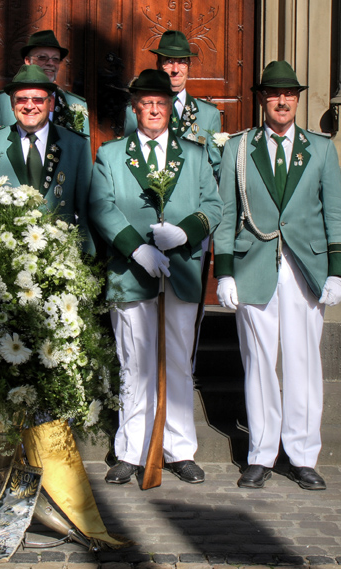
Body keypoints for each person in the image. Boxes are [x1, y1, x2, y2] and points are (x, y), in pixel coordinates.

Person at [213, 61, 341, 491]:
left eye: (289, 94)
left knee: (303, 363)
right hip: (254, 266)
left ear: (297, 99)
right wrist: (225, 273)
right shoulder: (238, 148)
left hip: (306, 269)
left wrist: (338, 270)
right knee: (258, 364)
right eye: (274, 94)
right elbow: (226, 214)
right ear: (261, 99)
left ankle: (303, 455)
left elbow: (334, 213)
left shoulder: (322, 149)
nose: (282, 101)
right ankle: (261, 454)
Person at [89, 69, 222, 485]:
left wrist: (187, 232)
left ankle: (178, 449)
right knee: (134, 362)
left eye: (160, 103)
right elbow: (101, 205)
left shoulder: (196, 155)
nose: (153, 110)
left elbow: (214, 206)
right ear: (135, 108)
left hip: (181, 271)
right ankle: (131, 450)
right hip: (132, 273)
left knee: (179, 362)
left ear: (170, 109)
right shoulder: (111, 155)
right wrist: (137, 248)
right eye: (145, 103)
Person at [0, 64, 95, 254]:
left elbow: (86, 211)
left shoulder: (75, 145)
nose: (29, 106)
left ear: (50, 103)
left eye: (38, 99)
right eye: (21, 100)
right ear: (12, 105)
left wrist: (87, 260)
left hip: (61, 258)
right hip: (6, 260)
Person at [124, 30, 222, 174]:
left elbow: (216, 168)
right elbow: (130, 156)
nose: (175, 70)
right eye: (169, 62)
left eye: (182, 62)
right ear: (158, 64)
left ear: (189, 66)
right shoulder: (136, 110)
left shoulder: (209, 114)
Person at [0, 30, 90, 138]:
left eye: (55, 59)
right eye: (42, 57)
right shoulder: (2, 102)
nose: (50, 63)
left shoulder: (77, 105)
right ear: (27, 61)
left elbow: (82, 150)